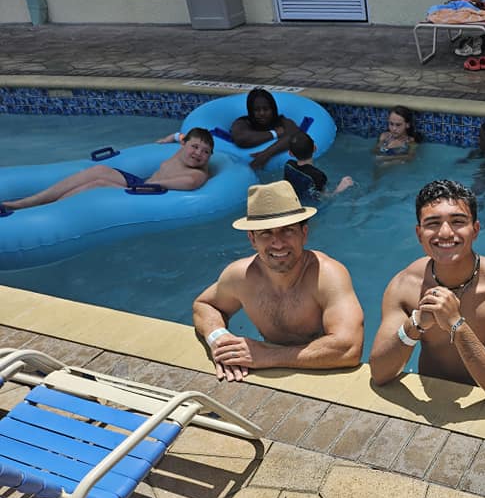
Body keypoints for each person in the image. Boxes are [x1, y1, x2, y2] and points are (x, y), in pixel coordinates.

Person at [369, 179, 485, 406]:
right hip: (433, 394)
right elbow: (379, 374)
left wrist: (457, 325)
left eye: (457, 221)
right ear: (419, 234)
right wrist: (415, 324)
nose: (445, 233)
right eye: (433, 223)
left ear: (475, 230)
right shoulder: (405, 285)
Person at [193, 180, 364, 382]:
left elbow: (349, 348)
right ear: (252, 240)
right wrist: (219, 339)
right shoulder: (240, 276)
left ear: (304, 234)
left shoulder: (326, 275)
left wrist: (267, 355)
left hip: (324, 374)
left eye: (288, 230)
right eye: (266, 233)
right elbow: (204, 305)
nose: (278, 243)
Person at [1, 127, 214, 212]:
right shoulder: (181, 150)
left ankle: (39, 208)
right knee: (100, 169)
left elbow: (182, 184)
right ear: (184, 144)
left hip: (148, 192)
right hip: (139, 183)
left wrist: (145, 183)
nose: (198, 154)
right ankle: (27, 201)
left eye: (205, 152)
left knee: (99, 184)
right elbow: (181, 135)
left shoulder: (196, 174)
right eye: (195, 147)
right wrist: (170, 137)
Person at [230, 88, 303, 170]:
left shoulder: (283, 122)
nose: (262, 113)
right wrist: (274, 133)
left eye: (266, 109)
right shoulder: (244, 122)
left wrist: (266, 154)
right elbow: (240, 138)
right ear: (251, 111)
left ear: (273, 109)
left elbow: (296, 137)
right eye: (257, 110)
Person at [284, 131, 353, 202]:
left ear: (290, 153)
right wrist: (339, 189)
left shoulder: (289, 165)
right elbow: (325, 198)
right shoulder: (318, 175)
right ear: (315, 148)